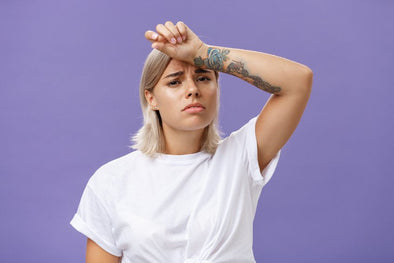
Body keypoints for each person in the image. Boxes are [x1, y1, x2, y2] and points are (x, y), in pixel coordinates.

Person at [70, 21, 313, 263]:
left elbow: (298, 81)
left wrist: (202, 54)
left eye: (203, 78)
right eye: (174, 82)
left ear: (217, 88)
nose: (192, 90)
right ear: (151, 98)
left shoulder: (240, 157)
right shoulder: (111, 180)